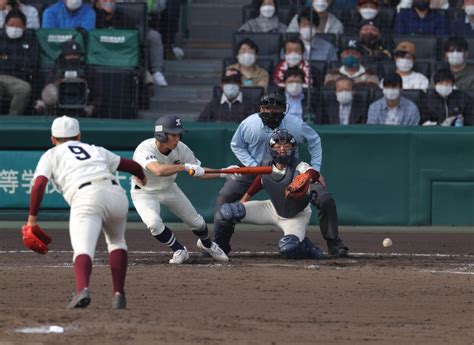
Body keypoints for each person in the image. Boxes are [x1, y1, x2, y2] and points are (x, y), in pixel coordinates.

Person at [24, 115, 147, 309]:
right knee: (116, 242)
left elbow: (39, 185)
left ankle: (82, 289)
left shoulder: (51, 154)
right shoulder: (95, 149)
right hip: (116, 193)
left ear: (53, 139)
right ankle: (118, 294)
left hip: (86, 196)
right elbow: (131, 166)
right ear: (79, 135)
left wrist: (32, 219)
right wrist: (141, 177)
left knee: (83, 249)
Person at [212, 92, 349, 258]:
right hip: (258, 167)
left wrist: (316, 170)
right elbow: (236, 145)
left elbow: (314, 142)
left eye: (276, 108)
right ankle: (219, 245)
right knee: (226, 198)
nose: (282, 149)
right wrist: (254, 169)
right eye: (267, 107)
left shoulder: (295, 126)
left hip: (292, 171)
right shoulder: (250, 124)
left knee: (324, 197)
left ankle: (333, 242)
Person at [131, 115, 231, 264]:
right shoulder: (144, 148)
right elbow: (158, 170)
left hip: (169, 188)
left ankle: (207, 244)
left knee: (197, 222)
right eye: (173, 134)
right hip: (144, 192)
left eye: (179, 134)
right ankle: (179, 250)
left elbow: (199, 172)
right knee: (153, 223)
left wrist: (224, 172)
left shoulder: (181, 149)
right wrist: (184, 167)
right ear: (161, 135)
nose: (177, 138)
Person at [218, 130, 324, 260]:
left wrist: (308, 175)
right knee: (228, 212)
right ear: (271, 149)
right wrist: (245, 198)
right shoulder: (266, 165)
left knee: (289, 248)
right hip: (272, 208)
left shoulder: (300, 166)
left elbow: (312, 172)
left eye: (287, 146)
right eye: (278, 146)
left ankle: (306, 247)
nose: (282, 150)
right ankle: (219, 247)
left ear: (293, 149)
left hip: (296, 215)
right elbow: (260, 180)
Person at [94, 0, 168, 86]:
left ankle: (156, 72)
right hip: (117, 23)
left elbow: (158, 8)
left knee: (155, 36)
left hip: (139, 25)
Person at [34, 40, 95, 116]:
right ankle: (45, 106)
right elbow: (48, 84)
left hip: (81, 101)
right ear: (64, 56)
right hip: (59, 100)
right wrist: (57, 81)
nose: (73, 57)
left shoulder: (85, 68)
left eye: (76, 55)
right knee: (51, 90)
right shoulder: (57, 67)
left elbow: (95, 89)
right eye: (69, 55)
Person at [0, 10, 35, 115]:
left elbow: (31, 62)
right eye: (11, 25)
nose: (14, 28)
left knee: (24, 89)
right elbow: (21, 62)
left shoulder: (30, 39)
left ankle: (13, 119)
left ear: (24, 28)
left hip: (17, 80)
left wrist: (6, 58)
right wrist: (15, 61)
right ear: (5, 25)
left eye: (18, 26)